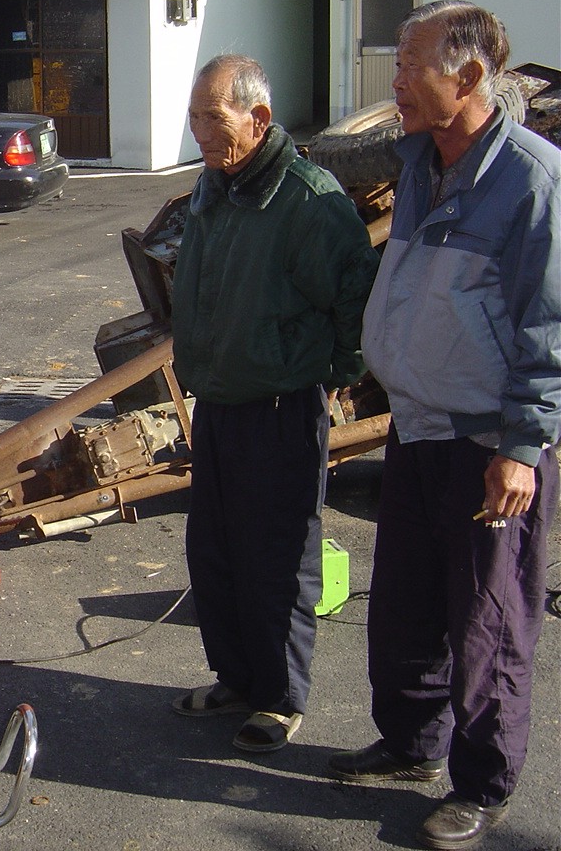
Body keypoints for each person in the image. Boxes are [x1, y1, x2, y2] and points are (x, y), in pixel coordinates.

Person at [329, 1, 561, 850]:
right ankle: (409, 743)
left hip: (486, 443)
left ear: (467, 79)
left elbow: (549, 327)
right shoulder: (422, 160)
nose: (392, 82)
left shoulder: (532, 180)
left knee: (489, 621)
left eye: (408, 65)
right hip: (419, 426)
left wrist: (521, 449)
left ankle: (483, 782)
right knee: (406, 604)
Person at [169, 54, 377, 753]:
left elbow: (355, 291)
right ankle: (237, 678)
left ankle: (282, 698)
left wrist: (341, 371)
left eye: (212, 117)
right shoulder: (214, 186)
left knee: (279, 561)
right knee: (216, 554)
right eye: (194, 115)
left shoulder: (306, 198)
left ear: (257, 119)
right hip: (222, 404)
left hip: (282, 408)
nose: (198, 129)